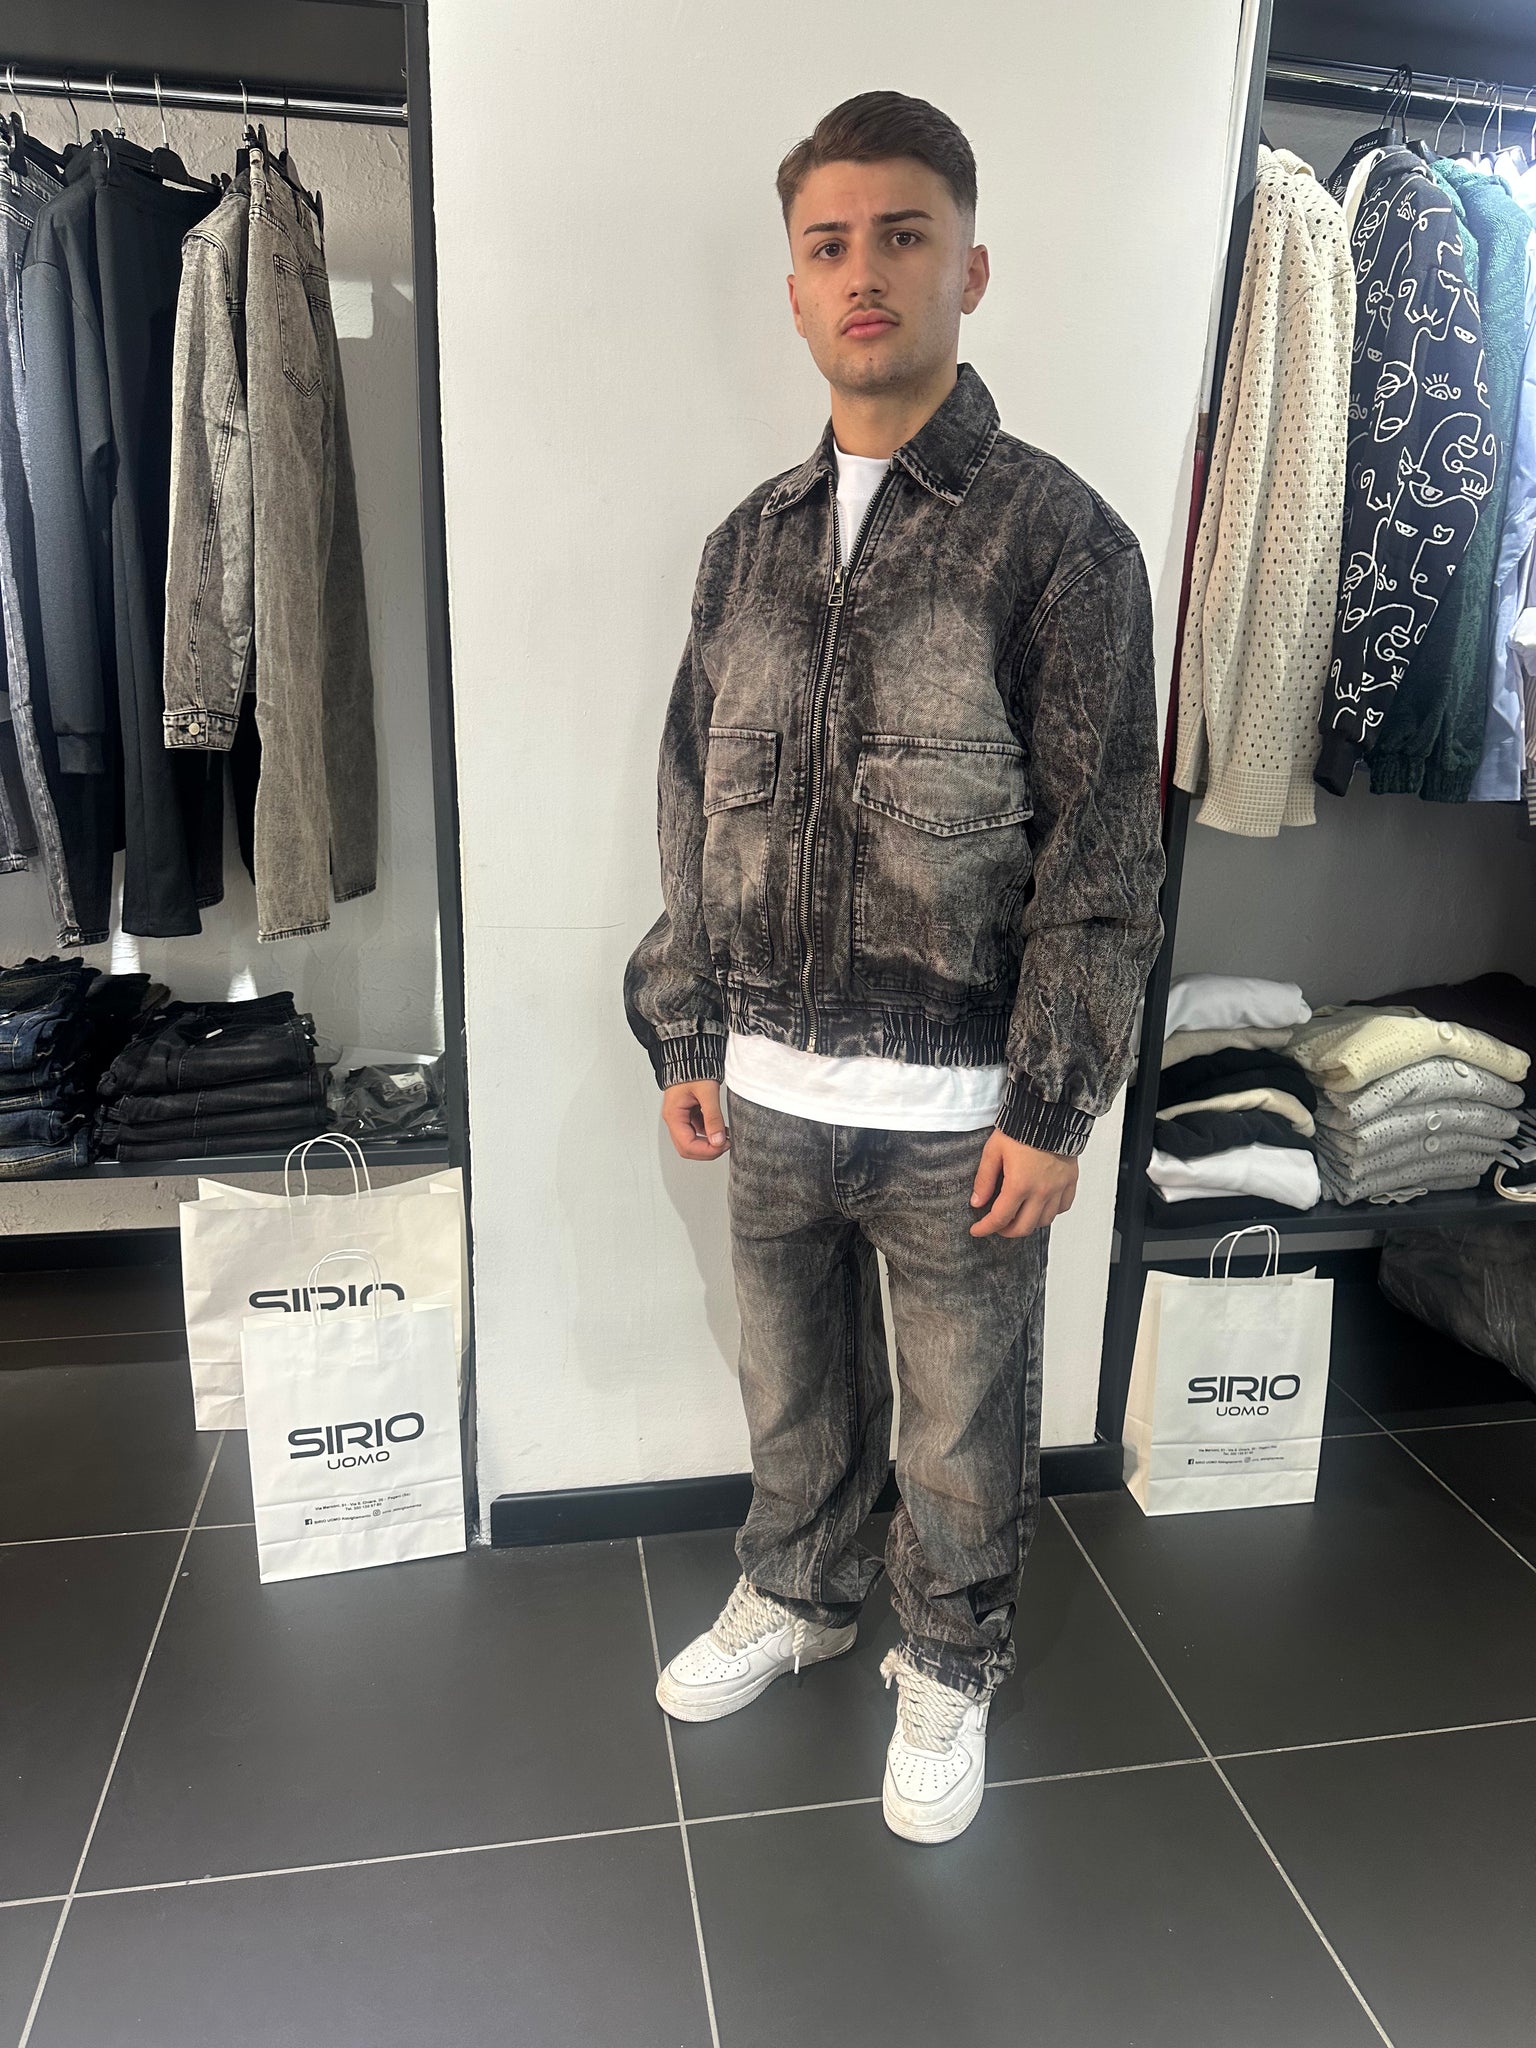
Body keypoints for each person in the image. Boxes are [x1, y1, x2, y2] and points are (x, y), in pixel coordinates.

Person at [622, 88, 1165, 1845]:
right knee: (792, 1392)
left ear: (970, 269)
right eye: (829, 244)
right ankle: (798, 1588)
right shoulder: (747, 545)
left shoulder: (1060, 544)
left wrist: (1055, 1101)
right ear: (793, 288)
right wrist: (685, 1028)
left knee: (958, 1425)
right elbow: (696, 799)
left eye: (903, 236)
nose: (864, 273)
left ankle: (948, 1652)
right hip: (769, 1090)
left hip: (960, 1115)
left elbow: (1103, 850)